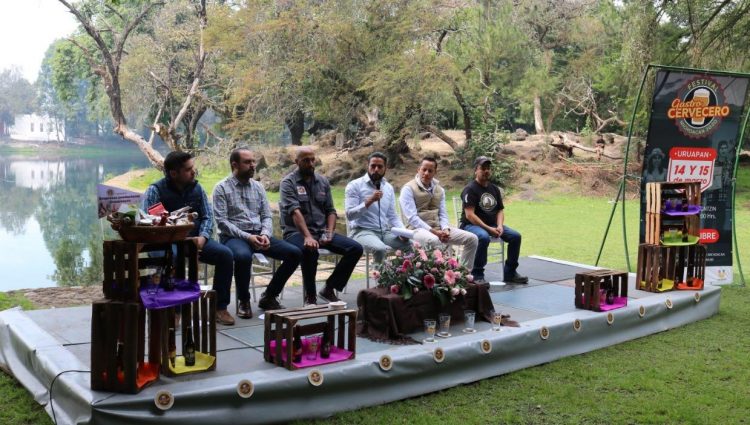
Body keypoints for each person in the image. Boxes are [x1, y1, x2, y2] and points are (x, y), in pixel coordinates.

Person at [142, 151, 236, 325]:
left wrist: (203, 237)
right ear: (173, 173)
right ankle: (175, 309)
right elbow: (150, 223)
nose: (194, 172)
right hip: (166, 242)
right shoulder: (155, 190)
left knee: (225, 255)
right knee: (173, 257)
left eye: (193, 168)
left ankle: (219, 308)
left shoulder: (197, 188)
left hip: (195, 240)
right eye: (188, 169)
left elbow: (208, 217)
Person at [213, 148, 302, 318]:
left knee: (295, 253)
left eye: (253, 161)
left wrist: (266, 234)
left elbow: (267, 215)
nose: (253, 165)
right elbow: (222, 222)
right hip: (233, 237)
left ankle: (269, 296)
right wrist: (248, 237)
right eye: (248, 162)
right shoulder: (221, 188)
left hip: (259, 234)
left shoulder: (258, 187)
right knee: (243, 256)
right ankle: (244, 300)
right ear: (234, 165)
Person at [279, 147, 363, 305]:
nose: (311, 163)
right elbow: (295, 212)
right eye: (306, 160)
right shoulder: (288, 183)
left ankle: (329, 288)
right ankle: (310, 297)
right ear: (297, 162)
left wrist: (329, 232)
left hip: (320, 232)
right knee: (309, 250)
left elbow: (331, 211)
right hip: (296, 233)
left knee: (355, 248)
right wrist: (307, 237)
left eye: (313, 160)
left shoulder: (322, 182)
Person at [399, 157, 478, 269]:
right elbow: (412, 218)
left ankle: (463, 273)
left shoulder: (440, 190)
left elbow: (443, 213)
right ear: (418, 170)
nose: (426, 173)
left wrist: (445, 229)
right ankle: (445, 273)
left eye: (430, 171)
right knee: (436, 240)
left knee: (472, 239)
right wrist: (435, 232)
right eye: (424, 169)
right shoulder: (408, 189)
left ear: (435, 172)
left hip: (438, 228)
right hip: (416, 230)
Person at [459, 156, 528, 284]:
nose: (486, 171)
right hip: (470, 225)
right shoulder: (470, 189)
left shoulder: (494, 189)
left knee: (515, 236)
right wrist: (489, 229)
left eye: (488, 168)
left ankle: (510, 273)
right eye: (483, 168)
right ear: (476, 170)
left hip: (492, 225)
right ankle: (477, 275)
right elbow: (469, 215)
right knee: (483, 237)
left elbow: (500, 210)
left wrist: (500, 226)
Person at [344, 152, 410, 263]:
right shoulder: (354, 185)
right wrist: (369, 201)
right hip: (361, 231)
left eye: (380, 167)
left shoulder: (388, 188)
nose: (376, 169)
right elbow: (350, 215)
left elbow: (392, 216)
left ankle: (402, 273)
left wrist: (403, 232)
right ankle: (379, 274)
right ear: (368, 166)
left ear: (385, 168)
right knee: (379, 249)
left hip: (384, 232)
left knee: (410, 245)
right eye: (373, 166)